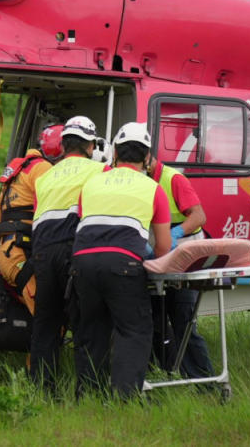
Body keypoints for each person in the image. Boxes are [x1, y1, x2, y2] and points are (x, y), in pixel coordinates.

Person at [72, 122, 171, 399]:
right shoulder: (153, 188)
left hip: (82, 262)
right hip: (125, 265)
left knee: (90, 331)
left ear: (114, 152)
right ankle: (124, 399)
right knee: (133, 331)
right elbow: (163, 247)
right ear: (147, 156)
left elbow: (83, 221)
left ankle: (88, 396)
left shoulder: (91, 183)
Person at [29, 115, 104, 394]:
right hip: (74, 249)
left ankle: (42, 391)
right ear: (90, 145)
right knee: (84, 322)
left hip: (42, 253)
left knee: (45, 325)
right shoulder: (98, 171)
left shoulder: (45, 176)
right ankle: (88, 391)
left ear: (63, 145)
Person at [148, 154, 214, 380]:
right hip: (159, 258)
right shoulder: (139, 177)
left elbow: (199, 216)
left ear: (147, 157)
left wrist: (176, 232)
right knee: (155, 321)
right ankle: (167, 372)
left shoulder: (173, 179)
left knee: (183, 322)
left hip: (185, 258)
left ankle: (203, 381)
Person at [0, 124, 64, 315]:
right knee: (45, 310)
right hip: (20, 253)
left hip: (7, 250)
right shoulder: (43, 168)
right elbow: (53, 208)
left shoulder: (20, 165)